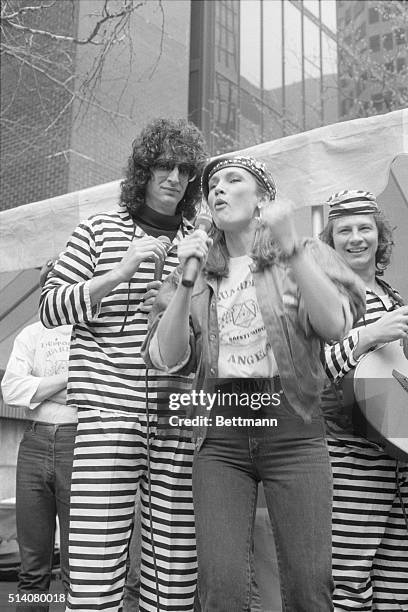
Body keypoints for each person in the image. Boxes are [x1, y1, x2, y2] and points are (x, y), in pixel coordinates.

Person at [142, 155, 366, 611]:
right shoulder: (195, 268)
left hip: (293, 429)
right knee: (221, 588)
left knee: (309, 585)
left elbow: (337, 325)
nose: (217, 189)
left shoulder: (302, 249)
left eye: (232, 179)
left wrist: (291, 248)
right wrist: (185, 283)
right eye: (212, 185)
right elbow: (165, 359)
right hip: (220, 434)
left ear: (263, 196)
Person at [39, 118, 207, 612]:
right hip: (108, 413)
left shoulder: (199, 240)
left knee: (174, 577)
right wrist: (120, 271)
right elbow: (50, 308)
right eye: (163, 166)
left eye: (185, 169)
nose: (175, 177)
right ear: (143, 170)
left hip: (176, 416)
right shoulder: (97, 228)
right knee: (93, 574)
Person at [320, 190, 408, 611]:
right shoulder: (323, 296)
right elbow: (311, 371)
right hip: (349, 461)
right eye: (344, 230)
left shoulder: (397, 300)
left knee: (399, 583)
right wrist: (368, 335)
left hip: (400, 463)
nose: (356, 238)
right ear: (331, 241)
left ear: (379, 236)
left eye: (365, 228)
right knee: (348, 581)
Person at [1, 259, 76, 611]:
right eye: (51, 282)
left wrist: (39, 389)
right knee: (33, 567)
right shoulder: (30, 335)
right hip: (33, 444)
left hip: (78, 444)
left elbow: (92, 391)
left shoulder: (91, 336)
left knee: (80, 565)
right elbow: (11, 391)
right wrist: (64, 382)